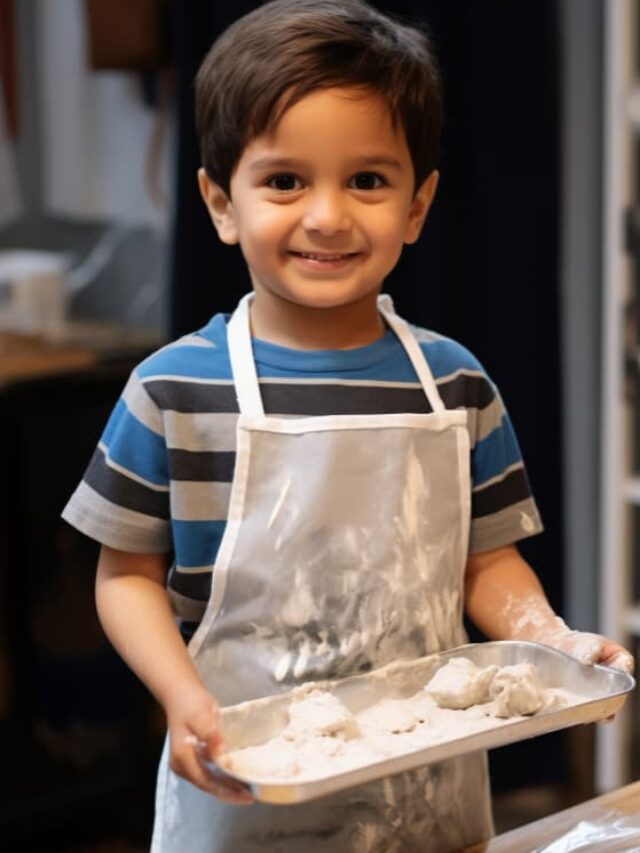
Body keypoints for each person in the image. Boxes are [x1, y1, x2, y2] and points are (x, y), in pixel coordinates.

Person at [62, 1, 634, 850]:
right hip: (247, 790)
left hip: (428, 798)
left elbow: (489, 561)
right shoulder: (174, 390)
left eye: (367, 179)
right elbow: (126, 577)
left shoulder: (456, 383)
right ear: (221, 203)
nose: (328, 216)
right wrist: (185, 700)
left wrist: (549, 641)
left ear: (417, 204)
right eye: (285, 180)